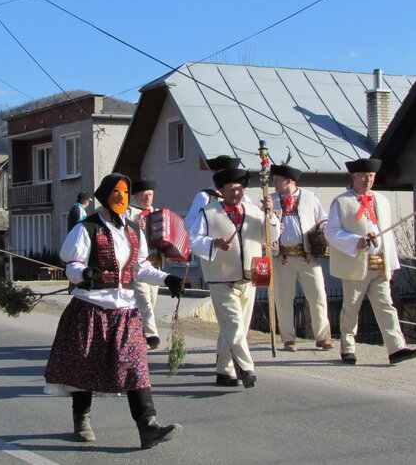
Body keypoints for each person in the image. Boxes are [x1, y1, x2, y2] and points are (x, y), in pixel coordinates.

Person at [45, 173, 184, 449]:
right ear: (105, 195)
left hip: (126, 310)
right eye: (116, 191)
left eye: (125, 191)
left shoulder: (133, 230)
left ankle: (148, 425)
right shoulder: (86, 228)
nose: (121, 196)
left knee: (136, 366)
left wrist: (167, 279)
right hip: (91, 307)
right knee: (84, 366)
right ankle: (81, 417)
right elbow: (70, 266)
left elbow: (140, 268)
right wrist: (84, 272)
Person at [189, 169, 280, 388]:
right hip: (221, 280)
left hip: (249, 277)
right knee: (234, 323)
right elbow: (194, 240)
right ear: (221, 191)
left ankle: (224, 371)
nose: (237, 193)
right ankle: (246, 368)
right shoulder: (208, 212)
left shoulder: (254, 211)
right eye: (231, 190)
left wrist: (270, 216)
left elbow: (271, 236)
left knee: (234, 327)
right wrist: (215, 244)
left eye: (240, 189)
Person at [324, 158, 416, 365]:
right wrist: (355, 241)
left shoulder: (381, 200)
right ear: (354, 177)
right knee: (351, 307)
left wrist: (392, 263)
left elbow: (389, 236)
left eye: (371, 176)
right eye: (364, 176)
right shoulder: (342, 202)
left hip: (380, 264)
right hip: (357, 264)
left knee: (386, 306)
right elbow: (331, 232)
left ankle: (396, 347)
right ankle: (348, 347)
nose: (368, 180)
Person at [270, 164, 334, 352]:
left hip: (307, 256)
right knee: (283, 299)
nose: (273, 183)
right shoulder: (270, 200)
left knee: (318, 296)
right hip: (282, 257)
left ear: (288, 180)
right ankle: (288, 339)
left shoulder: (309, 197)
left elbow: (322, 218)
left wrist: (324, 228)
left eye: (276, 179)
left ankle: (323, 337)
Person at [127, 179, 162, 349]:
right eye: (144, 195)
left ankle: (138, 332)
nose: (147, 198)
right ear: (136, 196)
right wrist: (134, 226)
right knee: (144, 302)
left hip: (155, 264)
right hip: (137, 266)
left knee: (152, 302)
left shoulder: (157, 213)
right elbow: (121, 232)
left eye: (150, 195)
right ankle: (152, 336)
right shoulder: (129, 212)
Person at [184, 155, 251, 232]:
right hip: (214, 241)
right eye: (223, 173)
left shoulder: (243, 198)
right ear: (214, 173)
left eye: (230, 172)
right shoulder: (205, 196)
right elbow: (189, 224)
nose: (227, 176)